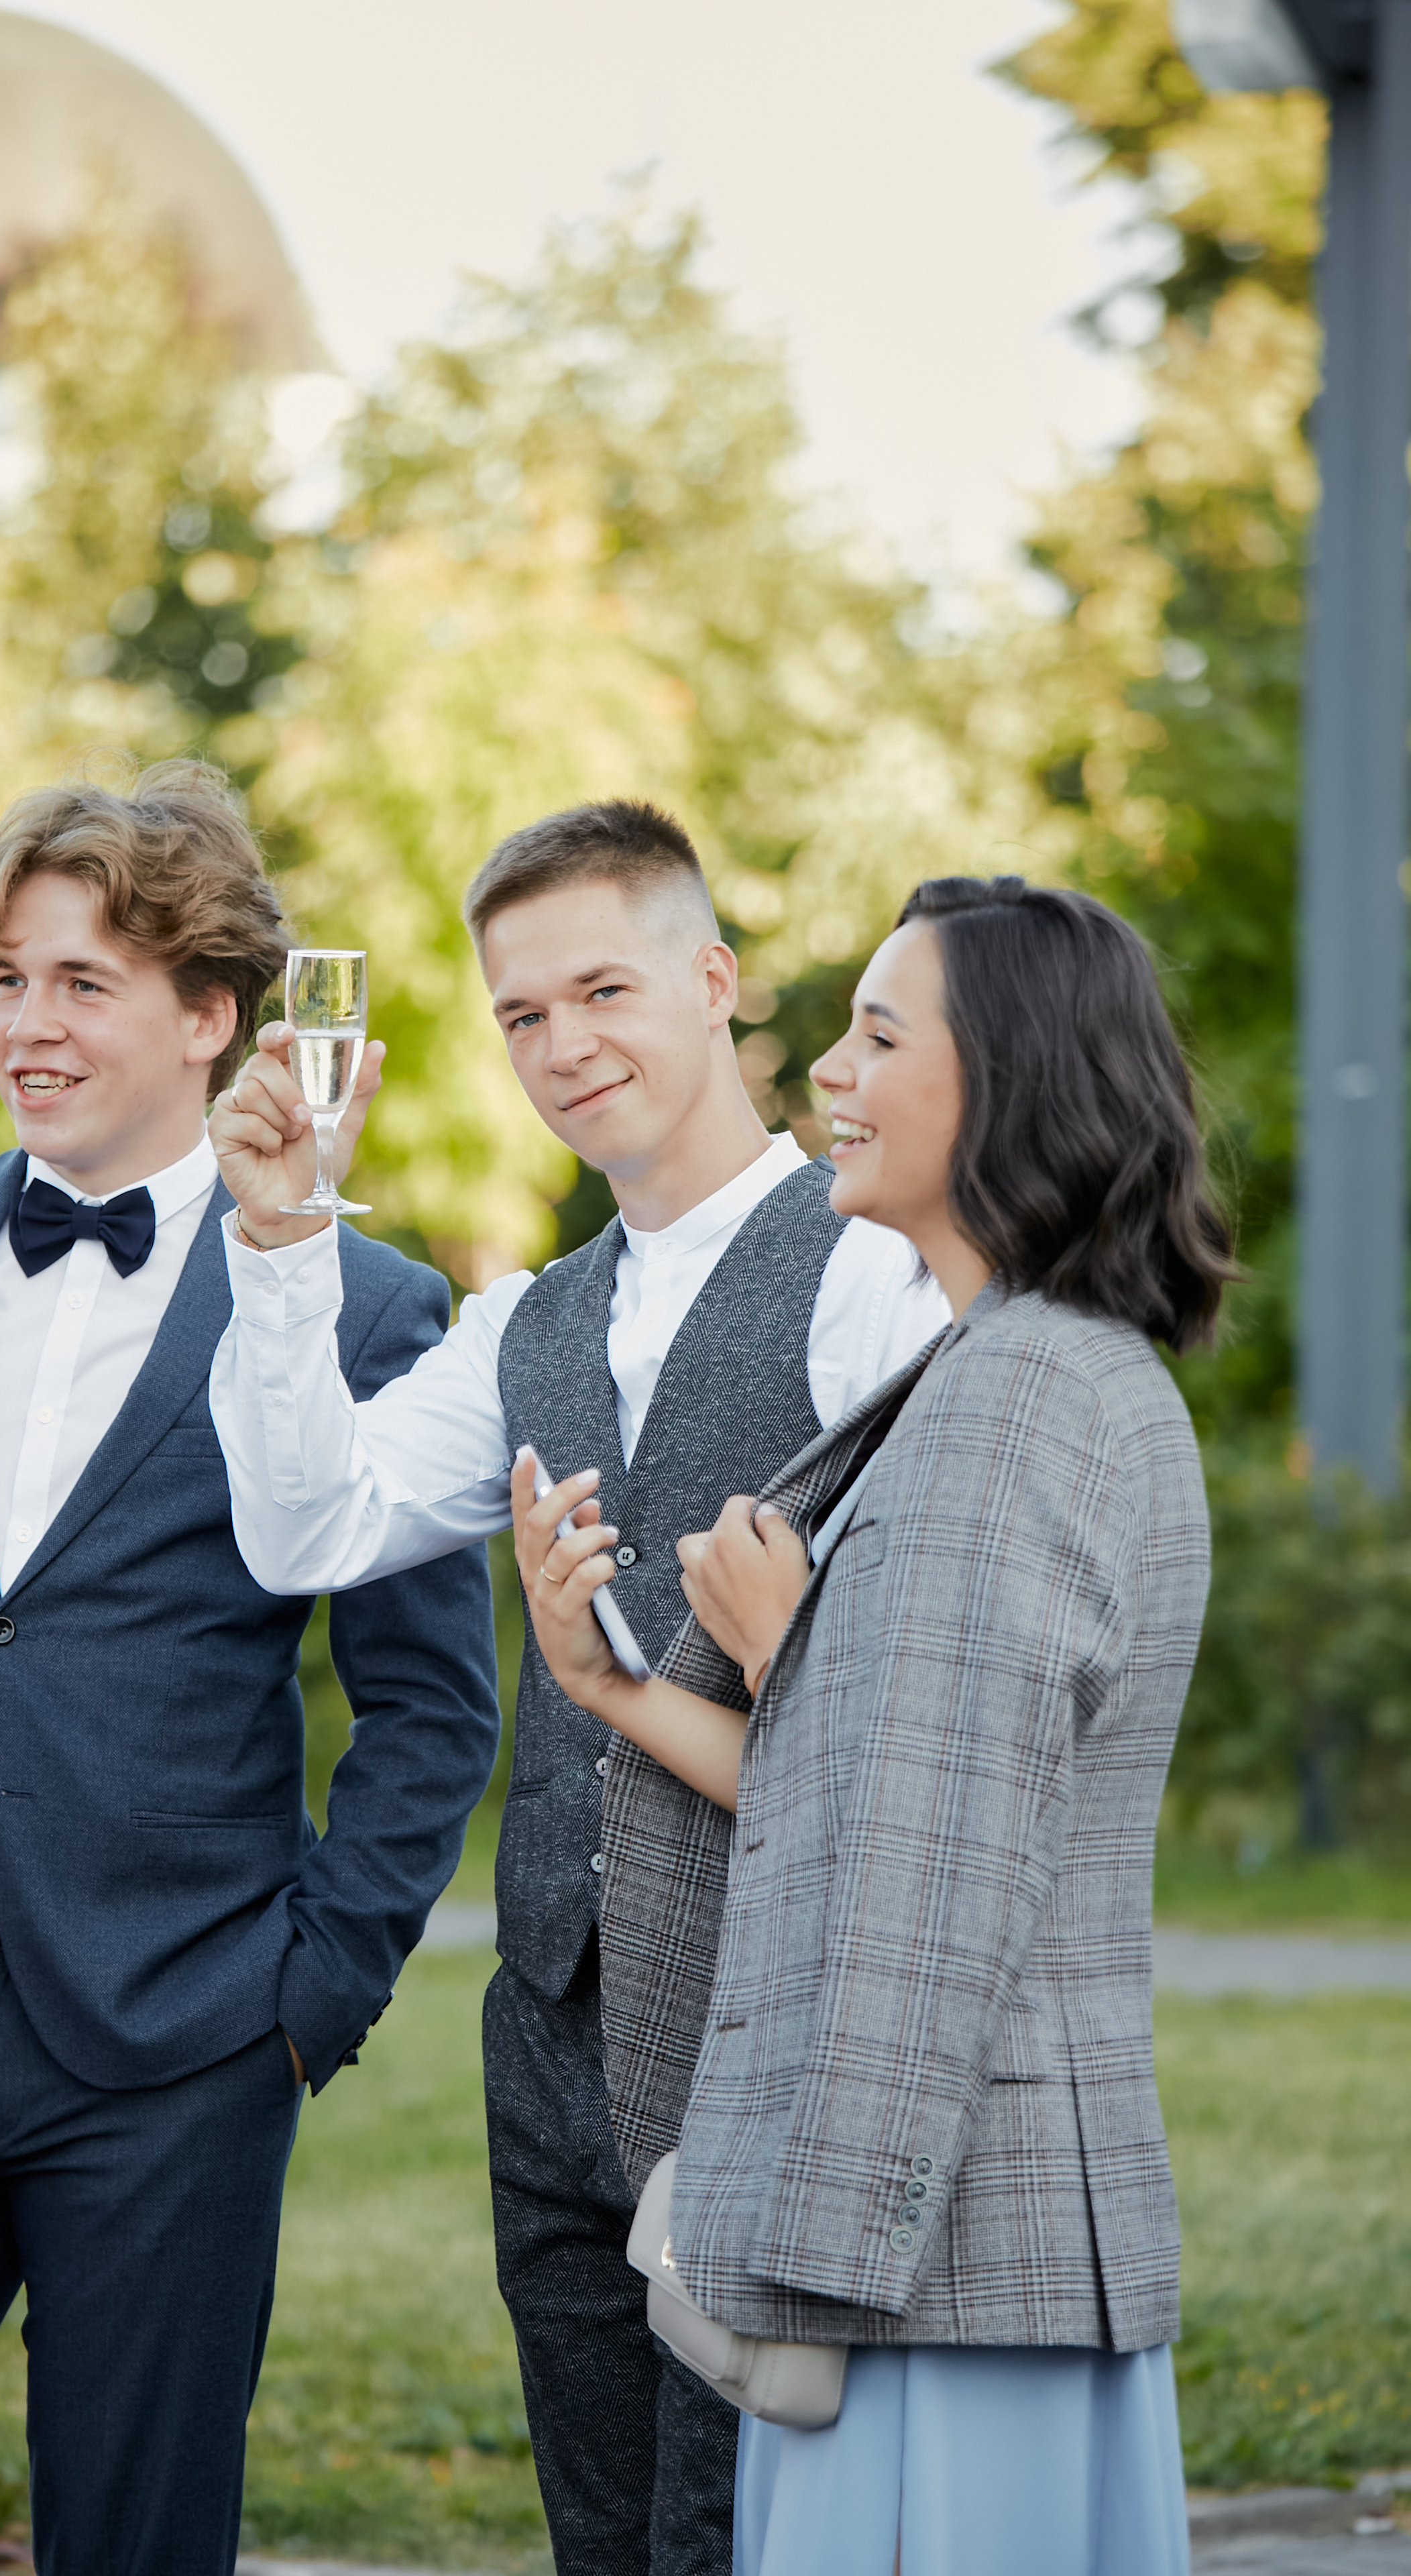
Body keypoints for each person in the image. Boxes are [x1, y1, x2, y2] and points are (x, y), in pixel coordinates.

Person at [0, 762, 500, 2576]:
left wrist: (302, 2007)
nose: (26, 1026)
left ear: (211, 1016)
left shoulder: (363, 1309)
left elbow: (435, 1711)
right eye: (3, 978)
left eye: (80, 983)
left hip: (178, 2050)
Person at [205, 799, 948, 2576]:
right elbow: (309, 1529)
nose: (560, 1046)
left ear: (713, 982)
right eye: (519, 1014)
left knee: (746, 2534)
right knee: (606, 2540)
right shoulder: (518, 1323)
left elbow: (915, 1704)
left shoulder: (875, 1283)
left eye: (601, 989)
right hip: (548, 2041)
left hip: (775, 2037)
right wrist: (288, 1248)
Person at [514, 873, 1233, 2576]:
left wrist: (798, 2273)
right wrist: (616, 1689)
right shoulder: (1020, 1369)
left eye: (877, 1033)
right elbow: (874, 1788)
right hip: (954, 2255)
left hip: (936, 2275)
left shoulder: (1012, 1405)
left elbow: (919, 1888)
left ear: (1009, 1084)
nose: (825, 1067)